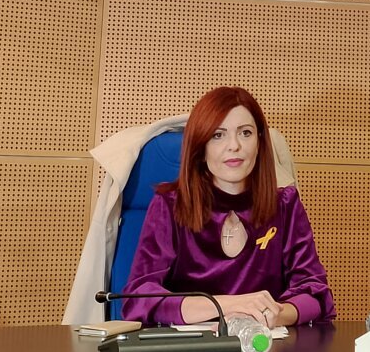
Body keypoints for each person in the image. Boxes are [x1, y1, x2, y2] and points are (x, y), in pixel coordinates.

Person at [121, 87, 334, 328]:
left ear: (260, 143)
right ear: (201, 148)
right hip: (191, 348)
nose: (234, 145)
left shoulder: (285, 204)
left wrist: (278, 314)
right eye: (218, 135)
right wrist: (228, 305)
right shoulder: (169, 206)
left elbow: (316, 293)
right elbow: (138, 298)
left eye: (245, 133)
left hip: (264, 345)